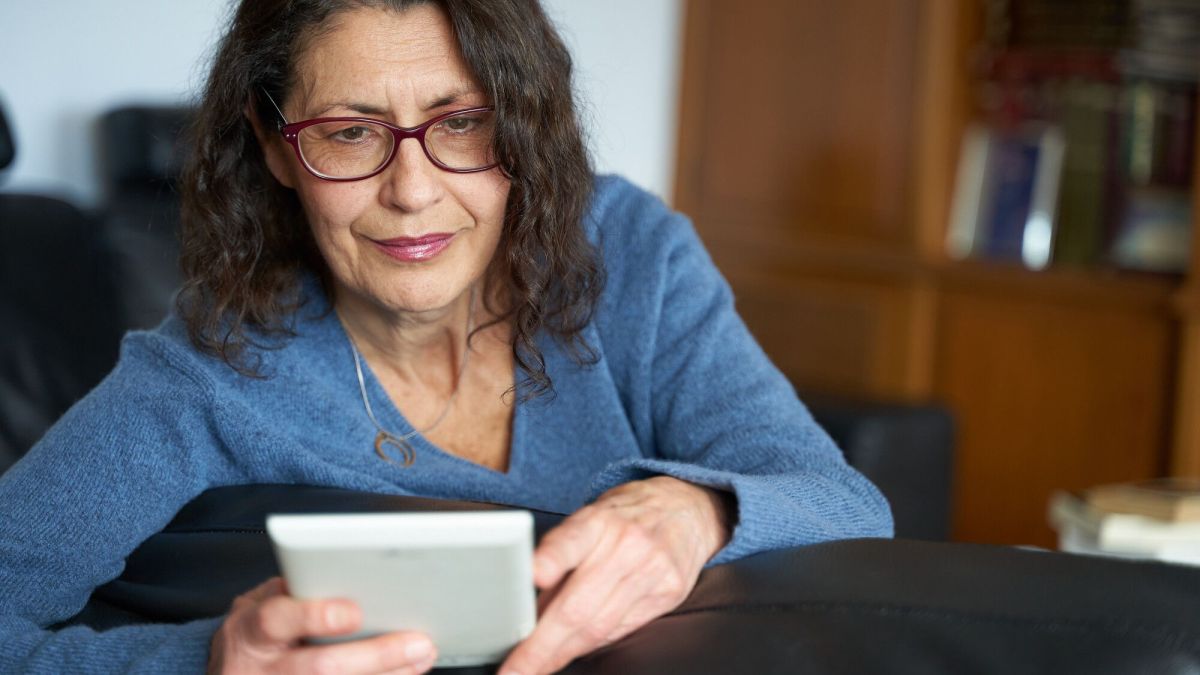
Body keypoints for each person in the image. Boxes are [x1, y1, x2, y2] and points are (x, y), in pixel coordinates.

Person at [0, 0, 893, 673]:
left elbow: (846, 501)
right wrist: (207, 662)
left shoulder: (630, 253)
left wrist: (696, 509)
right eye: (350, 134)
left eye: (461, 123)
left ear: (525, 124)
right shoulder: (210, 369)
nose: (414, 192)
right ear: (276, 147)